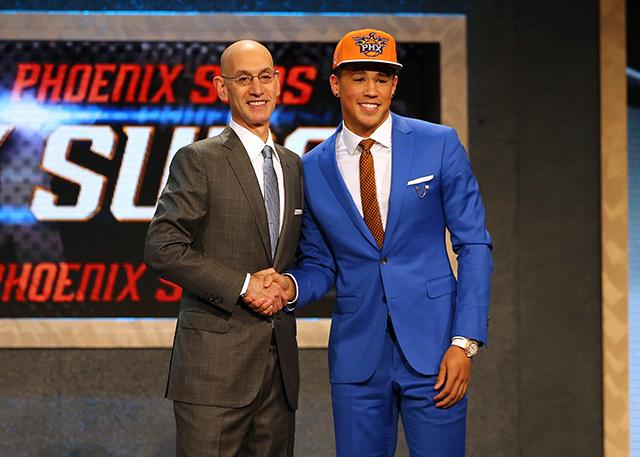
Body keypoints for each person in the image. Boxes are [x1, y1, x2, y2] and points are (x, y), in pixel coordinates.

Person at [249, 28, 492, 456]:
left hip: (437, 350)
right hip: (357, 359)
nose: (371, 91)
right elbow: (321, 264)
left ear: (394, 85)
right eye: (359, 78)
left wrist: (464, 342)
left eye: (381, 79)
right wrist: (290, 286)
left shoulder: (439, 145)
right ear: (335, 83)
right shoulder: (312, 168)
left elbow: (473, 245)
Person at [145, 40, 303, 457]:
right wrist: (244, 286)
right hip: (212, 373)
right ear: (221, 88)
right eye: (243, 78)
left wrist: (288, 285)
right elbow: (163, 247)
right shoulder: (199, 159)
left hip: (279, 374)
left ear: (278, 82)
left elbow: (300, 254)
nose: (257, 89)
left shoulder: (293, 164)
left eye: (265, 77)